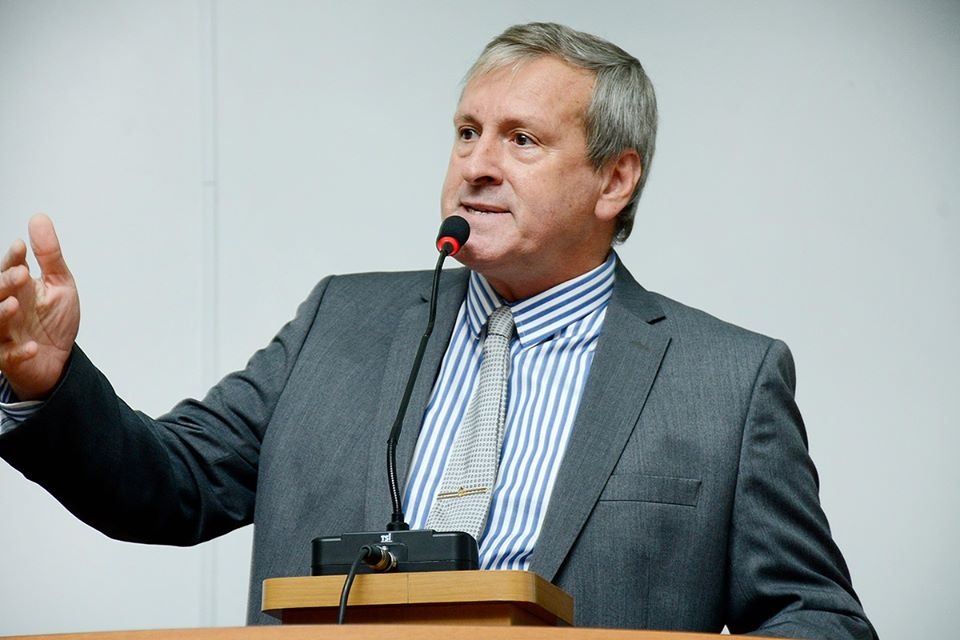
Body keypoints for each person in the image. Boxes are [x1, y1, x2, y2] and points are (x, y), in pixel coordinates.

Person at [0, 22, 875, 638]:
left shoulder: (725, 381)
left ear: (614, 181)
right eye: (466, 132)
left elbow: (817, 615)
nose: (477, 166)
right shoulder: (339, 323)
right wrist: (48, 380)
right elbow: (171, 483)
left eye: (522, 140)